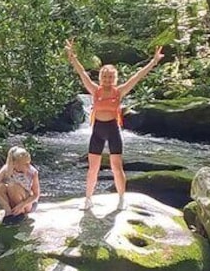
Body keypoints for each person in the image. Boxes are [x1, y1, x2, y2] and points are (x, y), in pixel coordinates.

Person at [65, 39, 164, 210]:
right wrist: (72, 57)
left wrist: (153, 62)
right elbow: (82, 73)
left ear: (115, 78)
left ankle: (121, 199)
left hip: (113, 130)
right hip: (97, 131)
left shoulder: (119, 92)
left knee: (116, 167)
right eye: (104, 76)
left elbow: (137, 76)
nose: (107, 79)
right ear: (101, 77)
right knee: (93, 168)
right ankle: (88, 199)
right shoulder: (95, 90)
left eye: (110, 77)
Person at [0, 146, 40, 225]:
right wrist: (6, 206)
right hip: (12, 200)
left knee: (13, 186)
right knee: (0, 186)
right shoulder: (6, 169)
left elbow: (36, 195)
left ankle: (20, 213)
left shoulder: (33, 172)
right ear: (15, 163)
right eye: (25, 164)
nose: (28, 166)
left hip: (27, 203)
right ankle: (10, 212)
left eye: (29, 163)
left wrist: (22, 205)